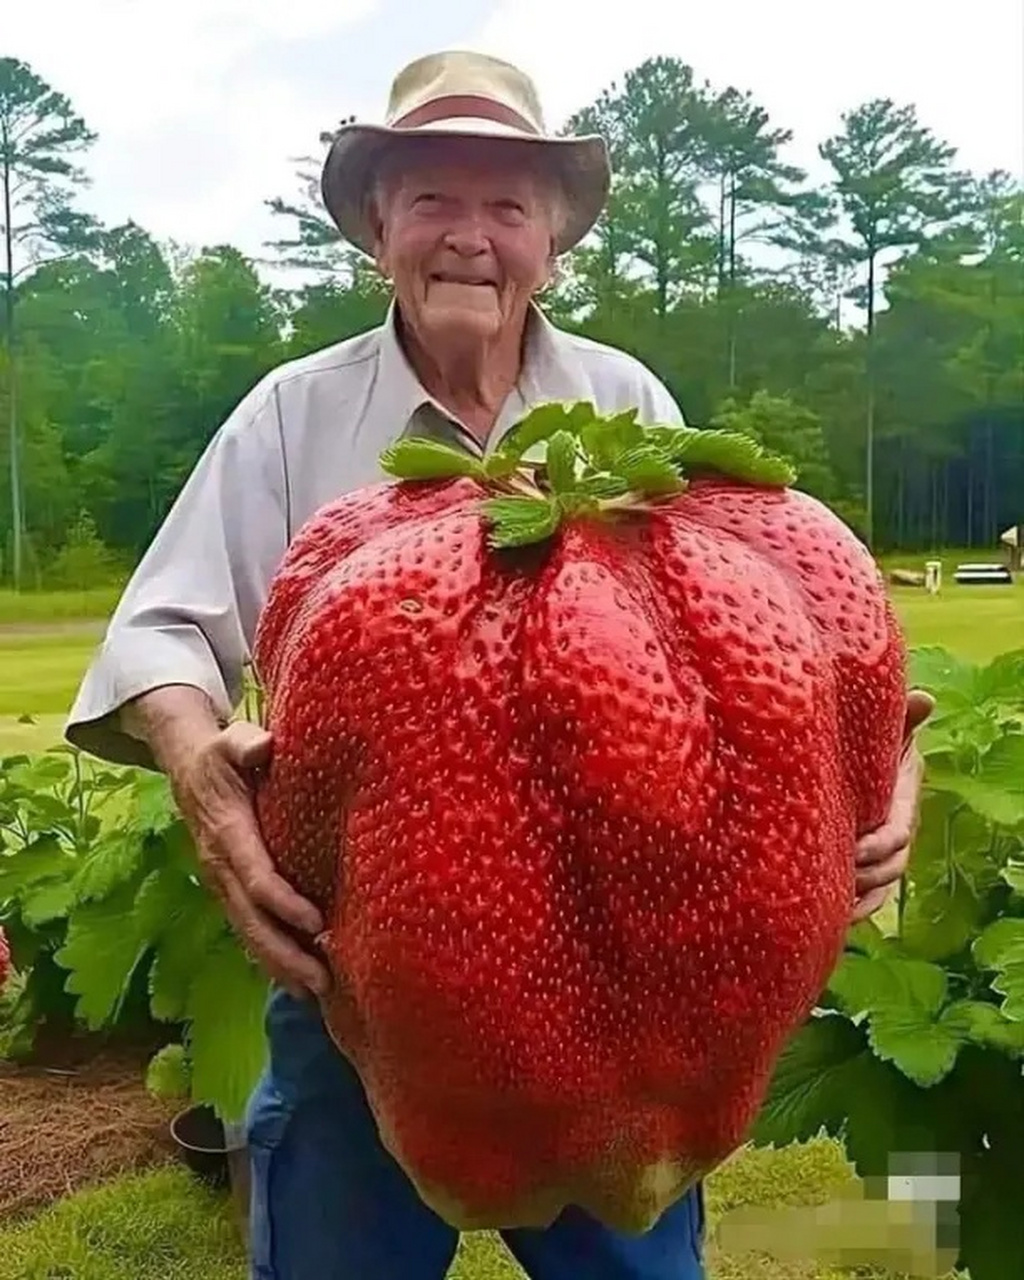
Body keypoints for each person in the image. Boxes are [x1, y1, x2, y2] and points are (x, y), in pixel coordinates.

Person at [65, 49, 931, 1280]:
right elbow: (161, 627)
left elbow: (768, 621)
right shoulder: (290, 413)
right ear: (379, 230)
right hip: (360, 975)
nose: (468, 235)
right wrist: (197, 762)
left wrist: (876, 761)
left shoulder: (625, 407)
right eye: (431, 199)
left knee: (632, 1265)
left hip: (626, 981)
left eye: (506, 206)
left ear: (553, 242)